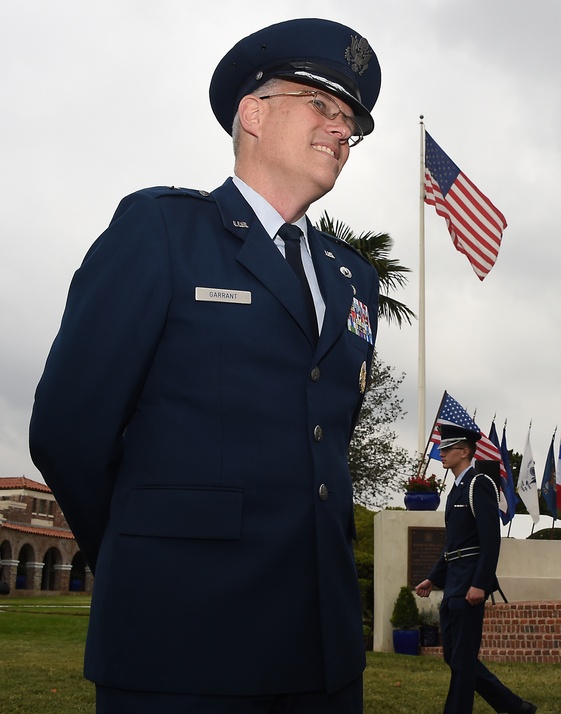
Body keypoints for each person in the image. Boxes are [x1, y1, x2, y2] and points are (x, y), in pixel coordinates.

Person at [29, 18, 382, 714]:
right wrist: (145, 558)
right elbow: (70, 432)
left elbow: (325, 442)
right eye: (322, 106)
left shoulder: (353, 280)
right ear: (254, 113)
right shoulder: (163, 232)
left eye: (351, 121)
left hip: (323, 654)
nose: (341, 130)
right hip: (182, 643)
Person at [415, 425, 536, 714]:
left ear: (465, 451)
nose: (441, 453)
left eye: (447, 448)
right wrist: (433, 577)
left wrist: (480, 582)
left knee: (463, 659)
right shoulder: (456, 489)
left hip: (470, 580)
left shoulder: (478, 483)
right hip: (454, 580)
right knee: (455, 657)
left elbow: (490, 539)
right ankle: (515, 707)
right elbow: (454, 543)